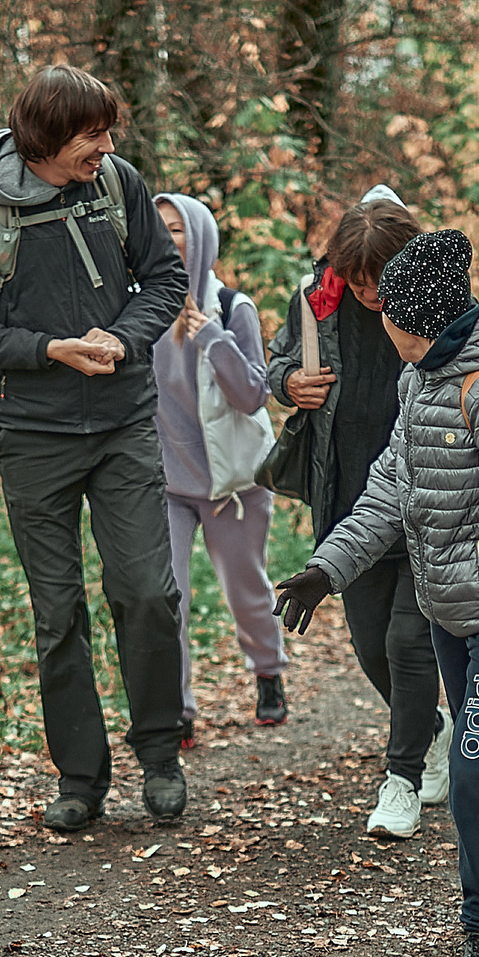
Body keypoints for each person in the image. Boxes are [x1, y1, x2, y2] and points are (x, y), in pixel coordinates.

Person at [272, 229, 479, 957]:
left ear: (415, 317)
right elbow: (388, 491)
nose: (381, 321)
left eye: (389, 309)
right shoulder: (418, 381)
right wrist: (328, 568)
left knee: (469, 761)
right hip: (446, 611)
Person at [0, 65, 192, 832]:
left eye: (109, 134)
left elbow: (164, 280)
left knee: (147, 592)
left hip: (122, 426)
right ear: (46, 139)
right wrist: (49, 349)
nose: (106, 148)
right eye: (93, 135)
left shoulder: (119, 185)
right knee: (58, 614)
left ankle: (159, 754)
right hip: (33, 436)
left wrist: (122, 335)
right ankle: (80, 777)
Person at [267, 190, 453, 840]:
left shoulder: (438, 304)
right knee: (372, 647)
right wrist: (289, 381)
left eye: (383, 277)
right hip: (348, 499)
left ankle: (399, 779)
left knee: (408, 644)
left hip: (431, 501)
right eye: (361, 278)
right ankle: (430, 731)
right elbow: (278, 359)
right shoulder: (316, 301)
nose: (372, 292)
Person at [151, 192, 287, 742]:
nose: (167, 239)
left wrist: (209, 334)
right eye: (158, 229)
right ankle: (178, 708)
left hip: (234, 481)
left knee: (246, 590)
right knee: (168, 600)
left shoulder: (235, 308)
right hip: (167, 482)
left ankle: (269, 673)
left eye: (178, 230)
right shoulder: (142, 307)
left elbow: (254, 394)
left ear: (202, 237)